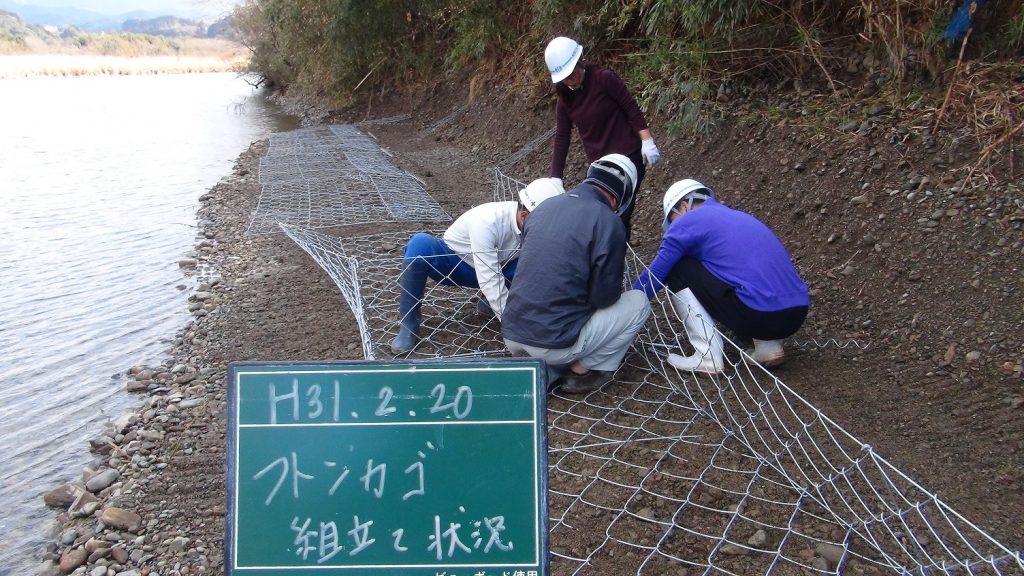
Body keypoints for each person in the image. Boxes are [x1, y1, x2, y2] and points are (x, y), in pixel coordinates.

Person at [502, 154, 651, 394]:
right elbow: (604, 298)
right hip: (553, 344)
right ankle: (581, 371)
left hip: (512, 333)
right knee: (639, 302)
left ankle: (539, 362)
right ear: (617, 198)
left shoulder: (544, 208)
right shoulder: (609, 223)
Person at [633, 180, 811, 372]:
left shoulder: (687, 221)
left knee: (677, 267)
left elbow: (656, 275)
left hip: (759, 315)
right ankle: (768, 347)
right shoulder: (738, 217)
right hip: (796, 314)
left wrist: (627, 307)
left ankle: (707, 356)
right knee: (743, 277)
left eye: (672, 220)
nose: (674, 227)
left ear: (684, 206)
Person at [391, 178, 564, 354]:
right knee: (420, 244)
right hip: (458, 265)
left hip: (501, 266)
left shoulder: (537, 225)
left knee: (537, 263)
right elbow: (489, 280)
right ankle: (409, 324)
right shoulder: (488, 221)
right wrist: (517, 332)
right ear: (524, 215)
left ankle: (489, 304)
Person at [544, 36, 661, 236]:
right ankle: (613, 249)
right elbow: (562, 137)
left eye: (574, 72)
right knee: (604, 212)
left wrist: (647, 140)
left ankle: (617, 254)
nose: (572, 79)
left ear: (581, 61)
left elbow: (631, 109)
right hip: (600, 164)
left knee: (620, 211)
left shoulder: (604, 78)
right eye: (566, 77)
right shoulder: (565, 101)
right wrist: (556, 178)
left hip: (629, 155)